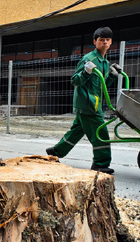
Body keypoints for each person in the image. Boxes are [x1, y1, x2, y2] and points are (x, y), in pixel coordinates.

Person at [46, 27, 122, 174]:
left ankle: (55, 152)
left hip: (94, 104)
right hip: (88, 105)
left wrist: (112, 75)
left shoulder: (104, 62)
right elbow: (75, 80)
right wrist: (86, 72)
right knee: (101, 134)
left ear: (111, 42)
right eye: (101, 40)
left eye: (107, 40)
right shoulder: (89, 59)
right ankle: (100, 164)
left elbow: (102, 86)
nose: (104, 42)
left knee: (76, 132)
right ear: (95, 42)